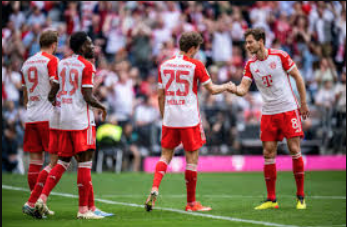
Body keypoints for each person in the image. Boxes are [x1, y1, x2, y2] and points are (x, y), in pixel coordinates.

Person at [145, 31, 233, 212]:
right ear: (192, 48)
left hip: (170, 117)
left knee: (165, 156)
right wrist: (227, 86)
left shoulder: (165, 65)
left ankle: (154, 188)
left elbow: (160, 95)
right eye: (198, 48)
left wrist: (164, 116)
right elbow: (212, 90)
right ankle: (191, 203)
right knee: (191, 159)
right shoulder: (196, 65)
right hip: (189, 118)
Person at [228, 28, 309, 210]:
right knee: (268, 153)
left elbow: (298, 77)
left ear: (261, 41)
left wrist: (302, 104)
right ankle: (272, 200)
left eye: (250, 42)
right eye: (246, 42)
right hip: (268, 112)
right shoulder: (250, 64)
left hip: (288, 109)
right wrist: (231, 88)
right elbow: (243, 89)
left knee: (294, 149)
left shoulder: (279, 56)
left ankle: (301, 197)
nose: (247, 46)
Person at [35, 31, 108, 219]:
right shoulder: (87, 66)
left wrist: (61, 106)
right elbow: (87, 96)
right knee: (85, 164)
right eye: (90, 44)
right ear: (82, 46)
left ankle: (41, 199)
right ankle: (84, 210)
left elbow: (52, 94)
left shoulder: (62, 63)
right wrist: (101, 106)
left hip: (63, 120)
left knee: (62, 161)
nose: (92, 47)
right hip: (81, 121)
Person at [21, 30, 60, 217]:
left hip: (31, 115)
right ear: (54, 44)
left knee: (35, 161)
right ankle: (35, 200)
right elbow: (56, 84)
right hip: (48, 116)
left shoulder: (27, 62)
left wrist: (29, 108)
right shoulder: (51, 61)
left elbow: (25, 93)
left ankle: (35, 202)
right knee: (57, 161)